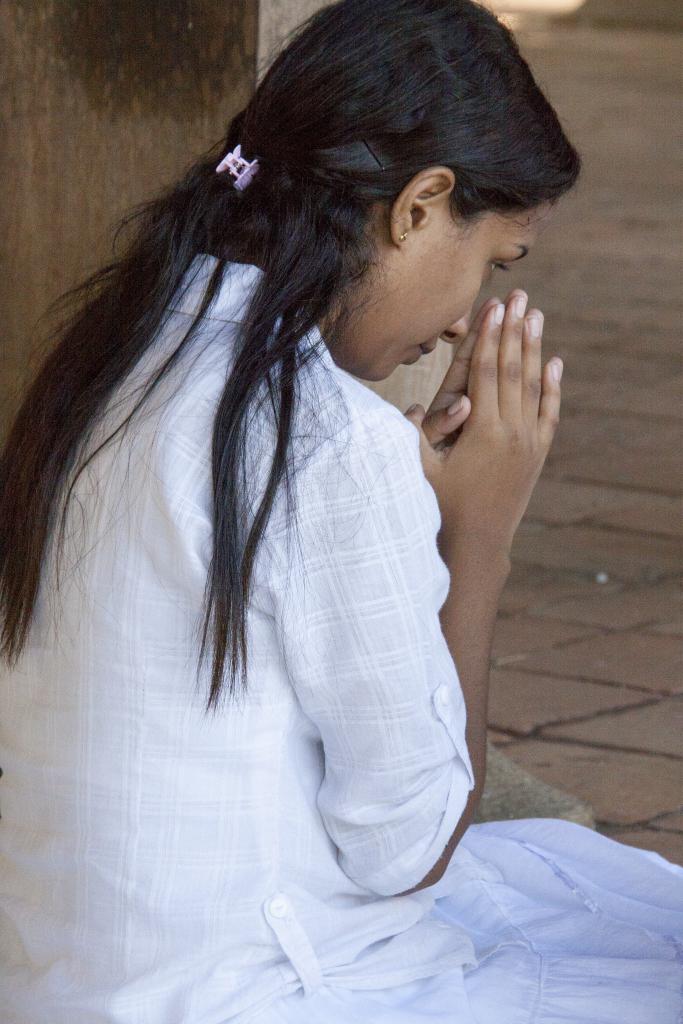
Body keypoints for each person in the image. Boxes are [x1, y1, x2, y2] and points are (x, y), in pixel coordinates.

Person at [1, 0, 681, 1021]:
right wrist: (472, 540)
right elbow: (407, 851)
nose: (462, 320)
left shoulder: (115, 350)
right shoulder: (329, 439)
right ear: (417, 205)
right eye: (489, 263)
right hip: (256, 996)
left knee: (563, 870)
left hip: (65, 980)